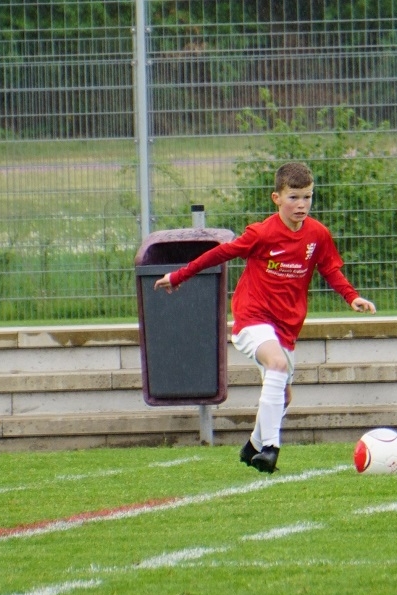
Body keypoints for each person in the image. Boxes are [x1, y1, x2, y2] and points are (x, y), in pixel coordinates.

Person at [154, 162, 376, 473]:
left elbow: (329, 268)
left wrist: (352, 296)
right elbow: (220, 253)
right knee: (277, 364)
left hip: (287, 326)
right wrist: (179, 276)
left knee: (283, 397)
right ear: (277, 198)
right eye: (294, 197)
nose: (301, 205)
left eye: (307, 197)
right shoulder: (262, 233)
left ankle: (252, 447)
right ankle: (271, 448)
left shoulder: (317, 234)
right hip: (252, 318)